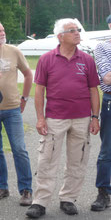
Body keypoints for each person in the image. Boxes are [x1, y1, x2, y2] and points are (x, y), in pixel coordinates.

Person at [26, 18, 100, 219]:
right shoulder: (46, 59)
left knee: (78, 160)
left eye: (77, 30)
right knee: (47, 160)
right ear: (60, 36)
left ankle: (68, 198)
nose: (77, 33)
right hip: (55, 118)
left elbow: (94, 90)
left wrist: (95, 117)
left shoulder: (87, 60)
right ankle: (40, 202)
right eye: (72, 30)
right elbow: (39, 90)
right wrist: (40, 118)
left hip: (82, 118)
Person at [0, 20, 33, 206]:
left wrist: (25, 98)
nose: (3, 33)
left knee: (19, 149)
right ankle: (1, 187)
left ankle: (26, 190)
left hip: (12, 108)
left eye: (3, 30)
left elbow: (28, 74)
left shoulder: (14, 51)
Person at [91, 14, 111, 212]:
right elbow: (107, 78)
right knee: (107, 151)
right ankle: (104, 192)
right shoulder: (103, 47)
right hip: (110, 101)